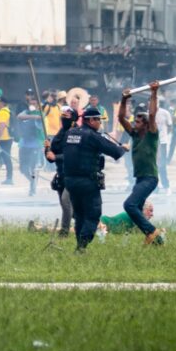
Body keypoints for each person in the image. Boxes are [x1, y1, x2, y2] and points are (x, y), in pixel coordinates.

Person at [63, 106, 128, 252]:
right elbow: (116, 152)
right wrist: (124, 147)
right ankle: (82, 246)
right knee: (93, 214)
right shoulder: (92, 136)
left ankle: (79, 245)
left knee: (79, 215)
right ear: (90, 120)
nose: (100, 123)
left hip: (70, 182)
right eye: (98, 120)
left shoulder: (70, 133)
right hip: (88, 182)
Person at [118, 82, 165, 245]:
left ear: (145, 125)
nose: (134, 124)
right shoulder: (135, 135)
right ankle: (155, 238)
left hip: (150, 178)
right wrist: (124, 99)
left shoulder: (152, 134)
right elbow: (120, 118)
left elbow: (152, 114)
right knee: (135, 208)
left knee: (129, 205)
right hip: (140, 178)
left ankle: (151, 231)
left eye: (138, 122)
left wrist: (154, 92)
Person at [46, 106, 78, 236]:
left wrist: (56, 156)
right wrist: (47, 149)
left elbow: (74, 154)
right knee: (69, 208)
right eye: (63, 116)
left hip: (74, 174)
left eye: (67, 115)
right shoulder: (60, 133)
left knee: (66, 201)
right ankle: (85, 223)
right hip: (61, 174)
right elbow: (50, 158)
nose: (64, 118)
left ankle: (64, 232)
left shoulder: (76, 133)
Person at [17, 96, 45, 195]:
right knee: (22, 168)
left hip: (35, 144)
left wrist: (36, 116)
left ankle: (32, 189)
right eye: (31, 103)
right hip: (24, 143)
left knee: (33, 168)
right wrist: (32, 116)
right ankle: (32, 181)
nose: (32, 105)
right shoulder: (26, 112)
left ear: (38, 104)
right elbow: (19, 116)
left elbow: (40, 123)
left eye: (34, 104)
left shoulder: (41, 113)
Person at [0, 97, 14, 184]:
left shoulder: (3, 112)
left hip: (4, 138)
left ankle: (9, 178)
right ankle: (8, 178)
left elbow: (2, 125)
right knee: (5, 158)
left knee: (6, 158)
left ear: (3, 103)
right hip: (6, 138)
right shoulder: (7, 111)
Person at [155, 99, 172, 195]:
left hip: (162, 142)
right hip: (151, 143)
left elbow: (170, 126)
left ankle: (166, 186)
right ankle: (155, 188)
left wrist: (164, 136)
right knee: (153, 166)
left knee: (161, 165)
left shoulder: (165, 113)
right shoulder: (147, 114)